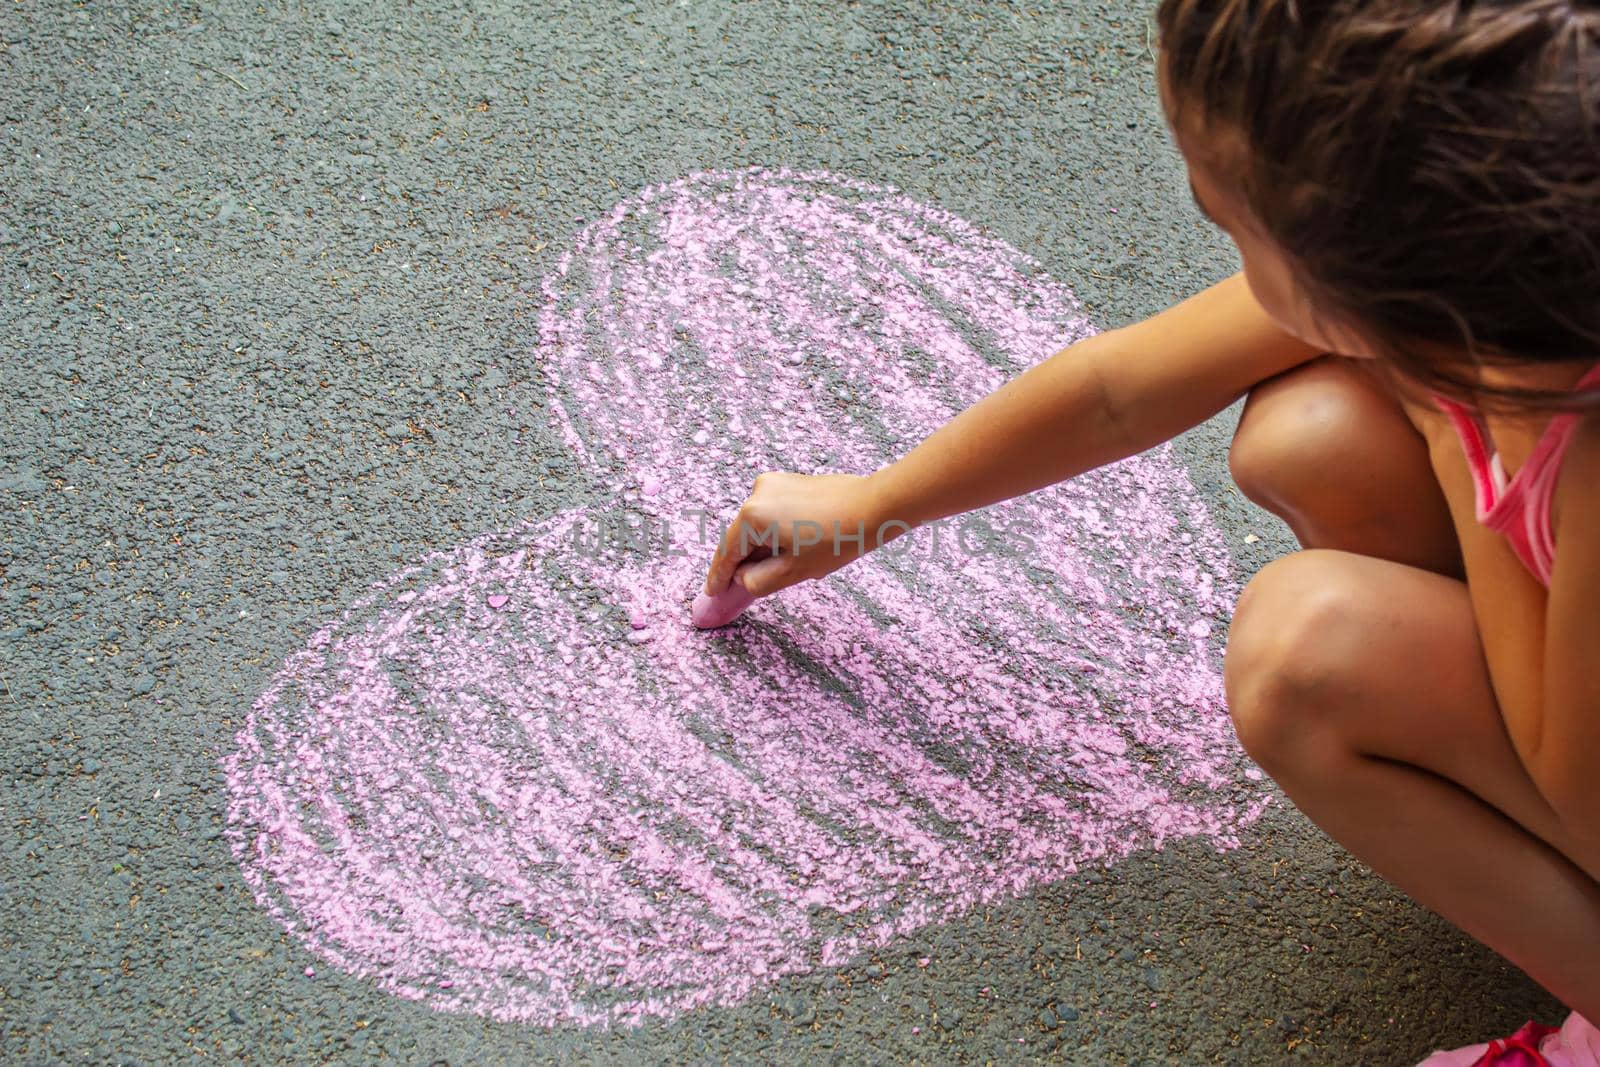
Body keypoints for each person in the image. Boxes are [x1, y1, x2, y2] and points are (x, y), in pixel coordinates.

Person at [698, 1, 1600, 1061]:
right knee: (1308, 435)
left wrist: (1460, 446)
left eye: (1230, 222)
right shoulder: (1516, 269)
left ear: (1398, 287)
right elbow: (1120, 389)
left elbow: (1575, 788)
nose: (1219, 235)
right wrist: (870, 504)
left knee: (1303, 655)